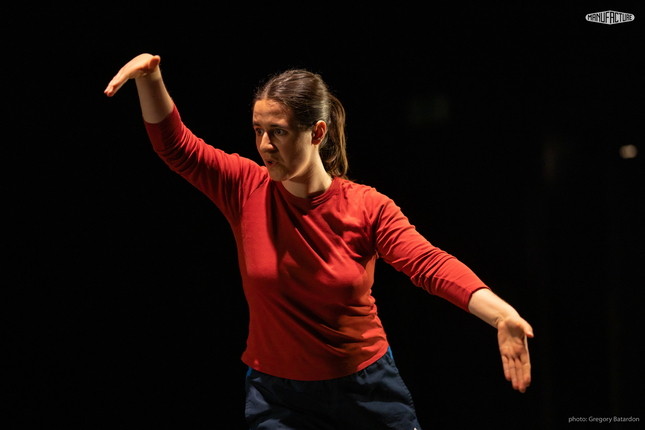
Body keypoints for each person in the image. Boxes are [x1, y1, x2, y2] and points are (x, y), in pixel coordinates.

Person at [105, 54, 533, 429]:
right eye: (258, 130)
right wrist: (151, 77)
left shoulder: (366, 207)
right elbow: (176, 146)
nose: (264, 145)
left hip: (366, 389)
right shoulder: (244, 188)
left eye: (278, 132)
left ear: (317, 132)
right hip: (278, 398)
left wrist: (501, 316)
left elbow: (428, 264)